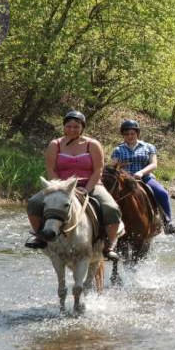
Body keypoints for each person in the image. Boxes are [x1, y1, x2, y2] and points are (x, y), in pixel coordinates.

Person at [25, 111, 122, 261]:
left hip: (90, 184)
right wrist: (60, 188)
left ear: (82, 127)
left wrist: (87, 189)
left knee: (111, 208)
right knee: (34, 203)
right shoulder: (55, 144)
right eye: (68, 126)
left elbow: (98, 170)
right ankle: (40, 236)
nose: (72, 129)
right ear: (64, 127)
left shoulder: (93, 144)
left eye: (76, 127)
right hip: (61, 186)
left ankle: (109, 245)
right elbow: (51, 169)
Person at [110, 120, 175, 234]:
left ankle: (168, 222)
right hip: (124, 180)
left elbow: (153, 164)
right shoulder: (118, 150)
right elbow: (114, 166)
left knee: (162, 193)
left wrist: (141, 173)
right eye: (127, 134)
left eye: (132, 134)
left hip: (144, 177)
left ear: (137, 134)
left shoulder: (148, 147)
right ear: (123, 135)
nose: (130, 136)